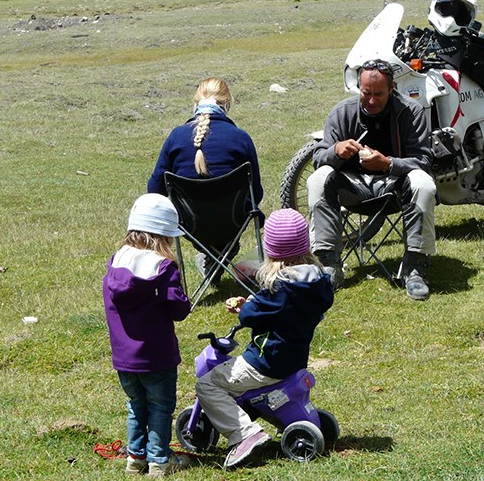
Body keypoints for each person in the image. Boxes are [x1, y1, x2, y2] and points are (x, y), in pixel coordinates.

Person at [195, 208, 334, 469]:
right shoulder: (317, 283)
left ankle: (243, 434)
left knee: (208, 385)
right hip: (294, 359)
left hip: (265, 362)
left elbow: (251, 315)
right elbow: (279, 312)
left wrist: (243, 306)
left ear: (271, 251)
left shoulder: (278, 287)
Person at [307, 58, 437, 300]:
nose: (372, 100)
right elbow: (318, 157)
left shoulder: (411, 112)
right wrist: (335, 151)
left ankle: (415, 266)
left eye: (379, 94)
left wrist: (388, 164)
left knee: (423, 182)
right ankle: (328, 264)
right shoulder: (342, 113)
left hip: (395, 189)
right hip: (353, 187)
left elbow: (424, 161)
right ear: (359, 87)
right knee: (318, 179)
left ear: (392, 88)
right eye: (366, 93)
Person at [102, 193, 192, 477]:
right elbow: (178, 310)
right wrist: (184, 300)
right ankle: (159, 461)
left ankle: (135, 458)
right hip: (157, 356)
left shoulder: (117, 261)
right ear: (164, 235)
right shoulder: (163, 267)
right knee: (160, 406)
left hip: (124, 358)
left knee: (136, 405)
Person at [147, 77, 263, 282]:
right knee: (235, 212)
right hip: (232, 222)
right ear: (227, 104)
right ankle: (221, 253)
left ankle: (213, 257)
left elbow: (155, 189)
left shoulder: (176, 136)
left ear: (195, 103)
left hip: (189, 225)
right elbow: (257, 192)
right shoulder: (240, 137)